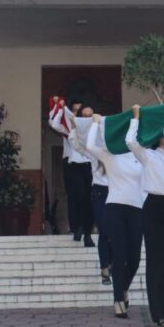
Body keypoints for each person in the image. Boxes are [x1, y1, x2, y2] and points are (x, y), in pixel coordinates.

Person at [126, 104, 164, 327]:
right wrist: (135, 118)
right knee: (157, 259)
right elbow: (131, 142)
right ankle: (160, 312)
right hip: (153, 206)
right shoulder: (149, 155)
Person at [87, 113, 145, 318]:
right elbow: (89, 146)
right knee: (119, 256)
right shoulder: (109, 154)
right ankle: (118, 299)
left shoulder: (139, 153)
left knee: (135, 259)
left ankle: (123, 288)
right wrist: (94, 124)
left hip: (136, 210)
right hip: (114, 208)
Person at [68, 111, 112, 285]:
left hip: (117, 194)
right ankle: (104, 268)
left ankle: (113, 263)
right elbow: (78, 146)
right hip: (100, 194)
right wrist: (74, 128)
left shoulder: (119, 154)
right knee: (104, 231)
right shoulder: (96, 154)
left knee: (114, 233)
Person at [50, 98, 95, 247]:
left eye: (90, 116)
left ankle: (87, 231)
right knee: (77, 196)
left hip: (91, 167)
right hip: (73, 166)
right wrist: (61, 109)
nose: (86, 119)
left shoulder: (95, 129)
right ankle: (77, 228)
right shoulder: (70, 130)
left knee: (89, 199)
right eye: (74, 111)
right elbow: (54, 124)